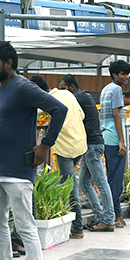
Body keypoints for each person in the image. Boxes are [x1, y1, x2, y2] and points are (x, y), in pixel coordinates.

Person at [0, 42, 67, 260]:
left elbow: (59, 109)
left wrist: (45, 144)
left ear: (8, 63)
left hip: (18, 169)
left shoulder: (24, 87)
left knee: (25, 226)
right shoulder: (0, 88)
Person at [59, 75, 116, 231]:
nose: (63, 93)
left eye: (63, 88)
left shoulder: (77, 97)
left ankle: (109, 219)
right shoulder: (84, 96)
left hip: (92, 145)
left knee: (101, 183)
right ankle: (99, 217)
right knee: (84, 183)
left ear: (71, 87)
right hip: (89, 145)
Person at [35, 75, 87, 238]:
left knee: (69, 187)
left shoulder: (47, 100)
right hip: (80, 144)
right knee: (69, 183)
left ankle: (77, 228)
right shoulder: (68, 94)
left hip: (65, 147)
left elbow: (34, 114)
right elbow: (82, 115)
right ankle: (71, 224)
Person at [100, 60, 130, 227]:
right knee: (116, 180)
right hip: (114, 139)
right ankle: (116, 215)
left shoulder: (105, 89)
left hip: (105, 137)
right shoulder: (117, 89)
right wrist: (121, 141)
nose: (126, 77)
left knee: (110, 179)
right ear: (114, 74)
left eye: (127, 74)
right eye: (123, 74)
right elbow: (117, 115)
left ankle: (112, 214)